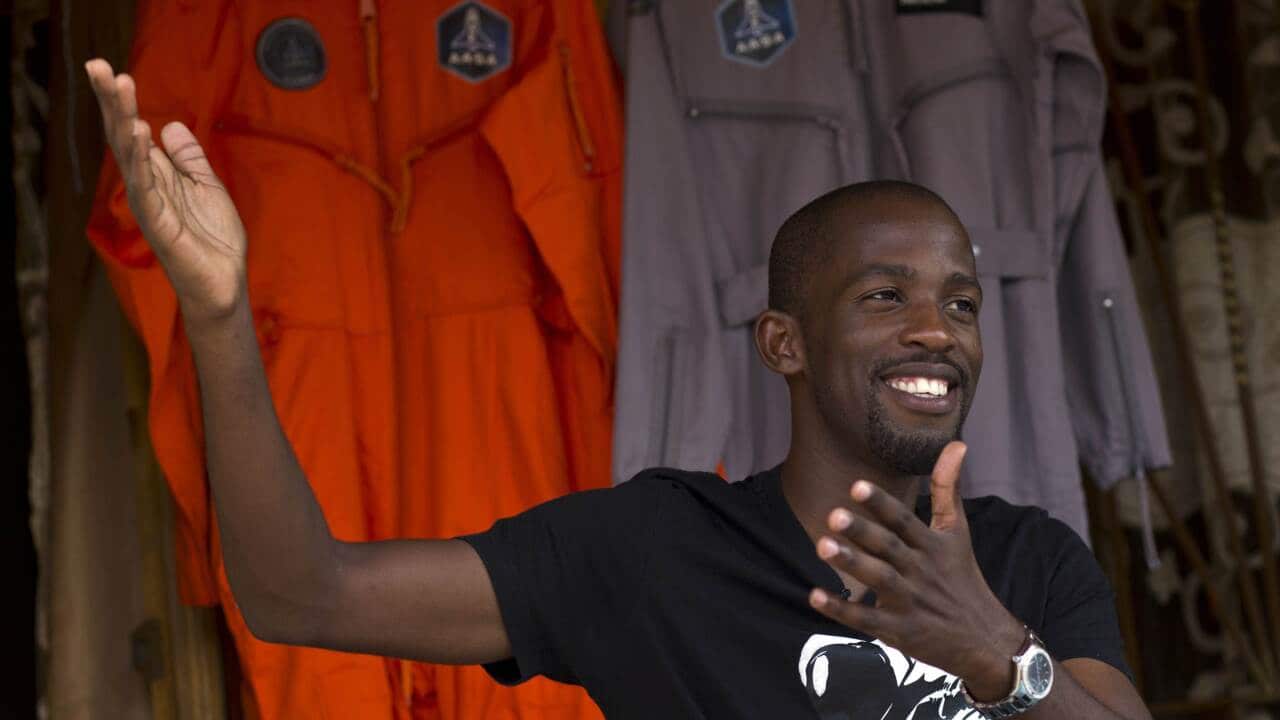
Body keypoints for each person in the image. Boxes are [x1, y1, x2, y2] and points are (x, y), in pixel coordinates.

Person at [85, 58, 1151, 719]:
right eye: (886, 295)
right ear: (781, 342)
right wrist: (220, 317)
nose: (935, 328)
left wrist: (1000, 659)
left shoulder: (1028, 563)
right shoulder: (651, 553)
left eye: (960, 304)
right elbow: (296, 596)